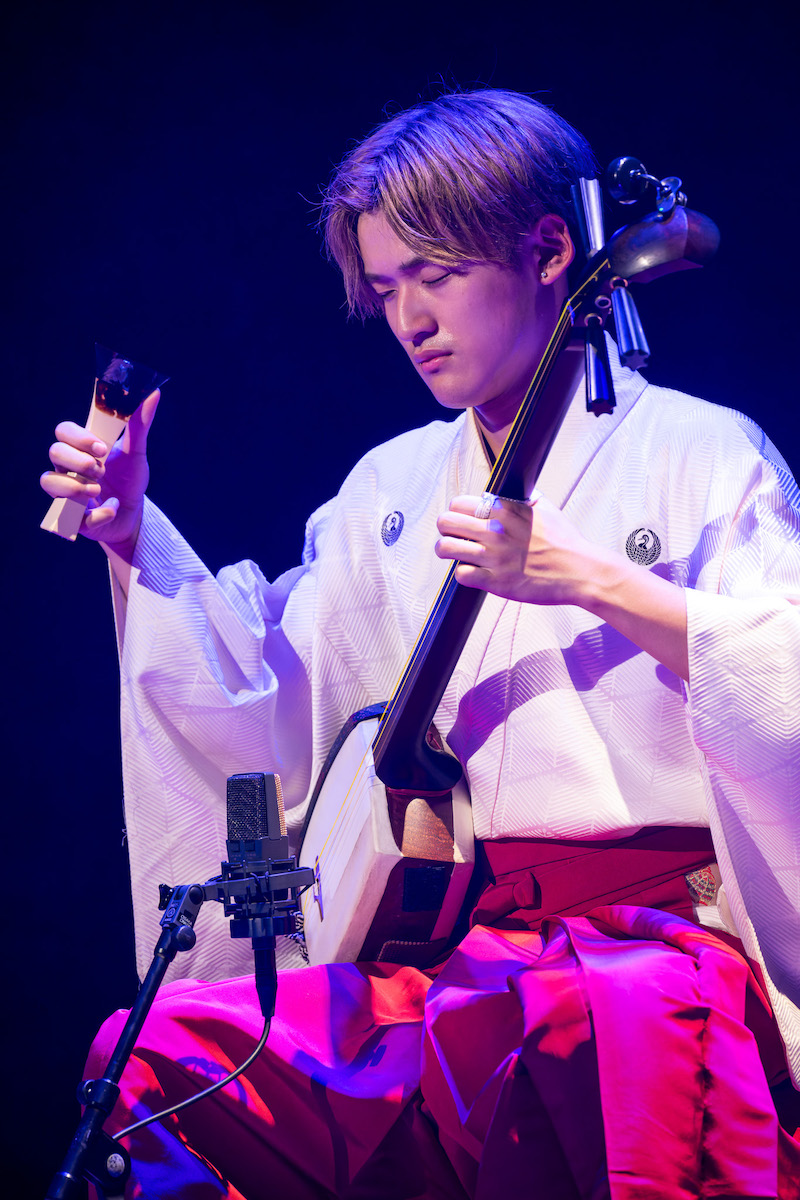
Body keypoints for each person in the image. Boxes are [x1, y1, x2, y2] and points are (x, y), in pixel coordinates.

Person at [42, 89, 800, 1198]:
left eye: (436, 276)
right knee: (161, 1055)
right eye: (387, 288)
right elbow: (271, 704)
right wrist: (130, 533)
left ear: (551, 251)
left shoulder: (703, 454)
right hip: (453, 958)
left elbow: (783, 684)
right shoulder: (387, 489)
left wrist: (588, 578)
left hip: (652, 958)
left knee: (591, 1016)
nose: (409, 320)